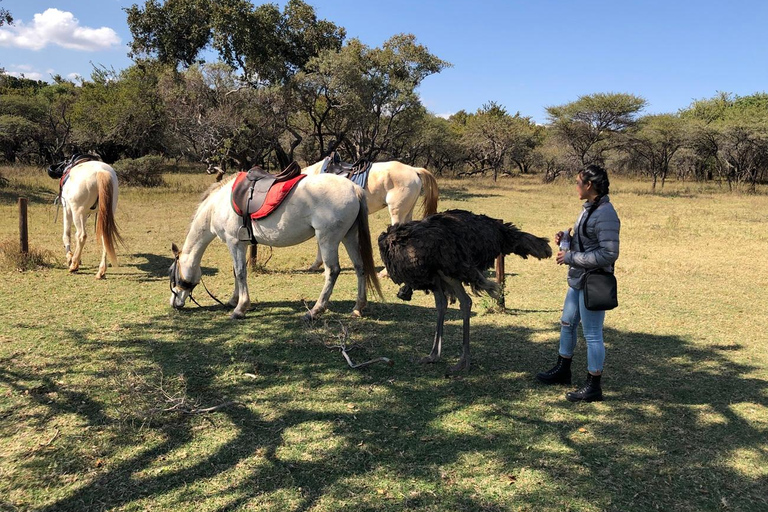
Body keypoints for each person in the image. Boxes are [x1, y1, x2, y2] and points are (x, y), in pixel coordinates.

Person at [536, 164, 620, 402]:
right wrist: (568, 240)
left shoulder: (605, 213)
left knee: (592, 334)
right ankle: (563, 369)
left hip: (593, 282)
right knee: (566, 323)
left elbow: (609, 253)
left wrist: (571, 256)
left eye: (577, 182)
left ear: (589, 185)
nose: (576, 186)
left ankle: (594, 386)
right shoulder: (589, 209)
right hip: (579, 279)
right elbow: (589, 243)